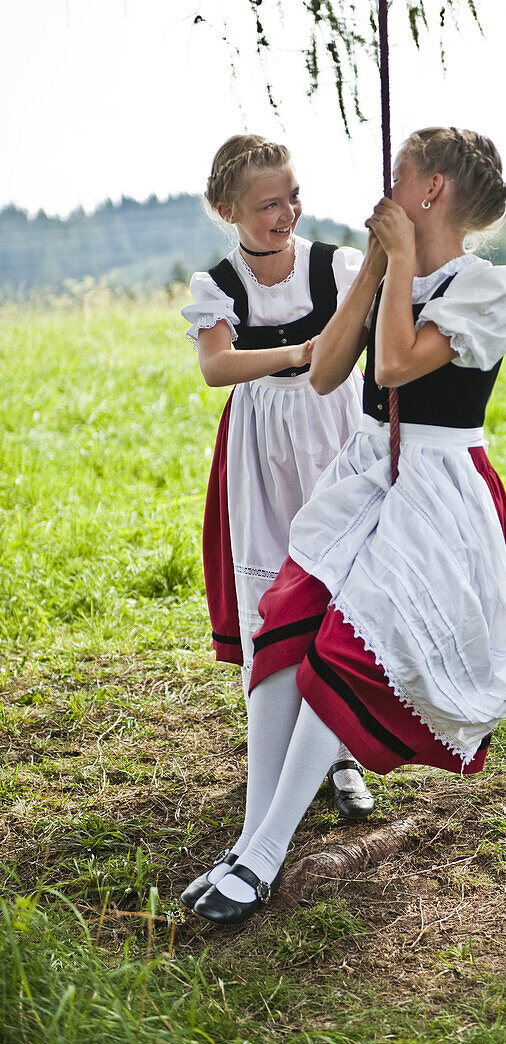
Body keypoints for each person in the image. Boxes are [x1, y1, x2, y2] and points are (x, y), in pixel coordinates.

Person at [186, 126, 506, 925]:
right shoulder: (377, 271)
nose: (383, 192)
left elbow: (399, 366)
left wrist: (400, 264)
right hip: (366, 471)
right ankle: (248, 839)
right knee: (284, 627)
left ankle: (264, 859)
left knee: (344, 651)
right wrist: (374, 270)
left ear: (429, 190)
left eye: (397, 175)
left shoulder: (489, 286)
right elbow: (332, 372)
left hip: (435, 487)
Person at [179, 134, 375, 910]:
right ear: (228, 210)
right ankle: (281, 747)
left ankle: (341, 753)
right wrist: (299, 352)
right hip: (263, 445)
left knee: (343, 591)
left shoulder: (336, 266)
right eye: (267, 204)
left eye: (293, 196)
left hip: (336, 434)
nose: (286, 213)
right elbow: (216, 366)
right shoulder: (220, 283)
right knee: (277, 596)